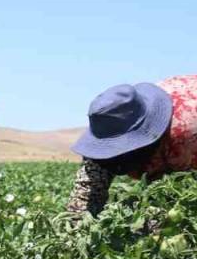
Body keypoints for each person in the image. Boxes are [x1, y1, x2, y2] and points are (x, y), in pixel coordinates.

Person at [66, 76, 197, 216]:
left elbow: (184, 195)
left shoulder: (185, 134)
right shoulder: (109, 120)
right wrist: (77, 225)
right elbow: (86, 194)